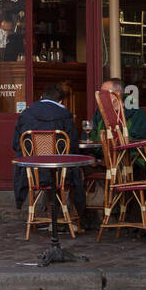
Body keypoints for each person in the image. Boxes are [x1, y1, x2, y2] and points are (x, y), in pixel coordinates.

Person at [12, 85, 86, 222]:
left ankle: (48, 216)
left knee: (51, 171)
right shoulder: (65, 115)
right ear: (60, 102)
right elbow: (74, 145)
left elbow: (16, 144)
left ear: (41, 98)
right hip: (60, 173)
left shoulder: (26, 115)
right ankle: (73, 219)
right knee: (77, 171)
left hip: (32, 173)